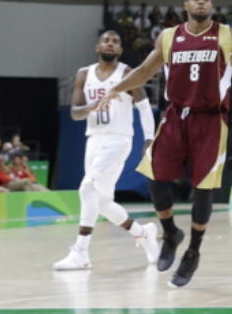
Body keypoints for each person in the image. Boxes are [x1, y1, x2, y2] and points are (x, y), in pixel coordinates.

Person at [102, 0, 232, 288]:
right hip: (174, 117)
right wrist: (114, 89)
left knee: (203, 189)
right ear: (186, 5)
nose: (201, 2)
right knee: (154, 177)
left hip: (211, 120)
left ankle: (193, 251)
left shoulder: (228, 35)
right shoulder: (168, 37)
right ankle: (170, 233)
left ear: (212, 5)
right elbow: (143, 71)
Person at [54, 30, 162, 271]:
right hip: (93, 139)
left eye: (115, 42)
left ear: (120, 50)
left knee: (87, 188)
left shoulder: (127, 73)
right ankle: (143, 232)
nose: (110, 44)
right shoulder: (84, 74)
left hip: (118, 139)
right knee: (102, 202)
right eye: (106, 41)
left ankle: (80, 252)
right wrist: (93, 105)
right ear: (97, 47)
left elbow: (144, 108)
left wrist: (148, 139)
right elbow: (74, 113)